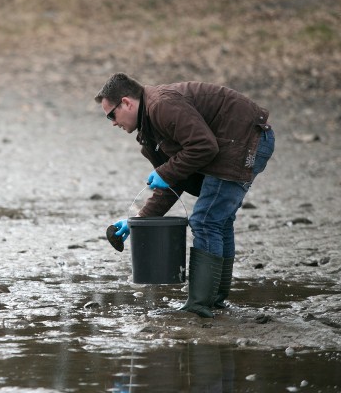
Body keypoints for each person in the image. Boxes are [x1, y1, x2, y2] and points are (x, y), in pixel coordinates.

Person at [95, 73, 275, 318]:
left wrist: (166, 171)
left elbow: (204, 146)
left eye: (111, 115)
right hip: (229, 144)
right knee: (217, 221)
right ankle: (214, 301)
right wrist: (139, 220)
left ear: (126, 102)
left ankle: (200, 305)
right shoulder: (148, 135)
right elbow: (173, 181)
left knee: (206, 220)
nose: (112, 123)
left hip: (246, 139)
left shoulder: (161, 106)